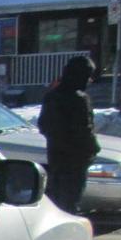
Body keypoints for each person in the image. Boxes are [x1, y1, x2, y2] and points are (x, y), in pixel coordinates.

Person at [37, 56, 100, 213]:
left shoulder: (51, 96)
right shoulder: (79, 99)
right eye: (88, 76)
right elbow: (85, 131)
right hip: (75, 161)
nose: (89, 81)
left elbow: (43, 125)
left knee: (57, 200)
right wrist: (93, 149)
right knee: (70, 201)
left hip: (56, 157)